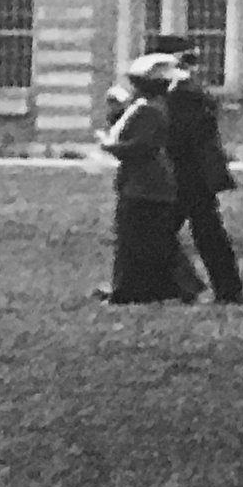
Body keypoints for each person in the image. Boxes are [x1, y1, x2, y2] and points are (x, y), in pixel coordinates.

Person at [149, 34, 243, 304]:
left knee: (170, 230)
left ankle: (192, 287)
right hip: (189, 171)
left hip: (189, 172)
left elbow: (181, 133)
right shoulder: (182, 90)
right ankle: (218, 288)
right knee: (197, 231)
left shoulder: (183, 92)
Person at [96, 54, 192, 305]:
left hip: (146, 184)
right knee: (154, 239)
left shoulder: (150, 109)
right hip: (145, 183)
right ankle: (169, 288)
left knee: (134, 240)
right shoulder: (150, 106)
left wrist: (110, 148)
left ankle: (128, 290)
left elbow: (142, 146)